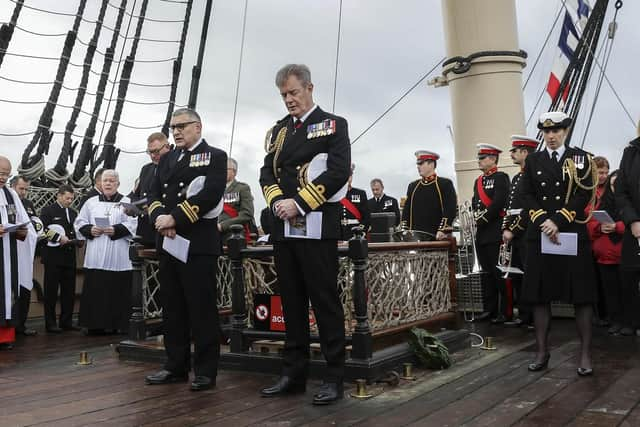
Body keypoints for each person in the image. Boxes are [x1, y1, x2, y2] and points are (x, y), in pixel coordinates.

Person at [259, 64, 350, 405]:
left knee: (324, 302)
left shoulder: (332, 124)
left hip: (315, 225)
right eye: (284, 95)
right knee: (292, 302)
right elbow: (266, 171)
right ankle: (293, 374)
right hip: (284, 227)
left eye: (294, 92)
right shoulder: (279, 131)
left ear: (310, 88)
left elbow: (339, 172)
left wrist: (300, 202)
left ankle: (334, 377)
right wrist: (278, 201)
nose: (289, 100)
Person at [144, 108, 227, 392]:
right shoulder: (167, 159)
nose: (176, 131)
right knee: (173, 308)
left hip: (198, 243)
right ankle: (175, 365)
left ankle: (205, 371)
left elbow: (210, 194)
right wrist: (160, 219)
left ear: (198, 127)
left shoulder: (215, 156)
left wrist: (175, 218)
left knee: (201, 309)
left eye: (182, 126)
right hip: (168, 242)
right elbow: (153, 193)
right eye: (173, 127)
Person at [520, 111, 598, 376]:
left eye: (556, 131)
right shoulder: (534, 160)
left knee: (582, 296)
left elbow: (583, 193)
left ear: (565, 131)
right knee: (540, 296)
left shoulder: (580, 158)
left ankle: (585, 354)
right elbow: (526, 194)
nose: (551, 136)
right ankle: (542, 351)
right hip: (541, 233)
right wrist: (544, 220)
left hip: (570, 232)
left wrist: (559, 221)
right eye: (546, 132)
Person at [74, 170, 137, 334]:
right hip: (96, 254)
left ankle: (118, 324)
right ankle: (95, 326)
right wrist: (90, 229)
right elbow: (79, 222)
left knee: (119, 291)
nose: (108, 184)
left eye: (112, 181)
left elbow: (134, 224)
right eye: (105, 181)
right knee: (96, 290)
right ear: (100, 183)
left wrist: (115, 230)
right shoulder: (91, 202)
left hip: (118, 255)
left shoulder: (127, 202)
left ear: (118, 184)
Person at [0, 156, 36, 350]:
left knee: (9, 293)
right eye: (0, 173)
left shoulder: (11, 195)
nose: (3, 178)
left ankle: (5, 337)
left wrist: (22, 230)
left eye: (6, 174)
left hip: (9, 251)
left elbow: (25, 222)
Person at [502, 136, 538, 327]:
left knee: (528, 275)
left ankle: (532, 316)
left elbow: (528, 209)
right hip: (514, 234)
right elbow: (510, 207)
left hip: (526, 233)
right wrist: (506, 228)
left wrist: (514, 230)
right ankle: (523, 315)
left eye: (515, 151)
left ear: (525, 152)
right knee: (516, 274)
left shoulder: (533, 176)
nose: (512, 154)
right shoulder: (517, 177)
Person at [472, 144, 510, 322]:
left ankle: (505, 311)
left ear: (493, 159)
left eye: (483, 158)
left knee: (498, 273)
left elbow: (498, 202)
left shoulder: (501, 178)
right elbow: (475, 203)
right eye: (479, 158)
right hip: (482, 233)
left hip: (494, 230)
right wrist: (474, 216)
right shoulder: (478, 181)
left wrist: (482, 218)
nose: (479, 161)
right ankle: (489, 309)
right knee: (486, 274)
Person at [587, 171, 628, 335]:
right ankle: (615, 320)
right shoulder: (603, 202)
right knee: (610, 293)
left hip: (624, 256)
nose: (614, 187)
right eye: (612, 185)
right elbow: (590, 224)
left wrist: (617, 227)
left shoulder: (629, 203)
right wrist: (599, 227)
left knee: (626, 291)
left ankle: (628, 322)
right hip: (605, 257)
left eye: (617, 184)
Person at [40, 185, 81, 333]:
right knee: (51, 291)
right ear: (59, 196)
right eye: (67, 198)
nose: (69, 201)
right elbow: (41, 229)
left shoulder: (73, 213)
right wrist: (57, 237)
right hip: (53, 256)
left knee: (68, 291)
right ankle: (50, 323)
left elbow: (76, 229)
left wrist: (79, 240)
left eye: (72, 198)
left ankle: (66, 321)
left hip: (69, 256)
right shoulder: (48, 211)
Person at [615, 121, 640, 338]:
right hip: (635, 227)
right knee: (629, 273)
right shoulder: (630, 153)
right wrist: (633, 220)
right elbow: (621, 192)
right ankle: (631, 321)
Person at [401, 151, 456, 240]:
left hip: (437, 236)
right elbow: (406, 210)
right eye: (418, 164)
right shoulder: (413, 186)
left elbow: (450, 209)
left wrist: (442, 230)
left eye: (421, 163)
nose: (418, 166)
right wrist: (404, 230)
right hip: (415, 237)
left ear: (431, 164)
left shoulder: (444, 184)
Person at [129, 132, 171, 248]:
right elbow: (136, 194)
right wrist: (132, 207)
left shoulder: (175, 168)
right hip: (144, 231)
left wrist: (153, 207)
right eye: (150, 152)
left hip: (164, 229)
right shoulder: (146, 169)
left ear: (167, 147)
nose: (153, 156)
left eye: (156, 151)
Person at [9, 175, 39, 336]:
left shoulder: (28, 204)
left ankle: (21, 324)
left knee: (25, 288)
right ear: (13, 186)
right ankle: (10, 325)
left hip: (26, 252)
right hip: (12, 251)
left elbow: (34, 222)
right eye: (21, 188)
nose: (24, 192)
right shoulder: (9, 202)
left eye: (27, 189)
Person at [591, 156, 610, 326]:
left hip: (607, 242)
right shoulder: (588, 191)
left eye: (606, 172)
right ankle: (599, 314)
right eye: (600, 172)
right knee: (594, 281)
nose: (603, 176)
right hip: (592, 240)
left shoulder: (610, 191)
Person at [219, 158, 255, 243]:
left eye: (225, 169)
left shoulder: (242, 188)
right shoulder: (215, 189)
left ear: (234, 172)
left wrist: (222, 226)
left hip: (234, 235)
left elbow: (247, 214)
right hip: (214, 235)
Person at [340, 164, 370, 241]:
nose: (348, 179)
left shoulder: (360, 193)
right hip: (339, 232)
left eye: (350, 176)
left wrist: (361, 230)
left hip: (355, 232)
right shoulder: (335, 195)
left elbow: (366, 216)